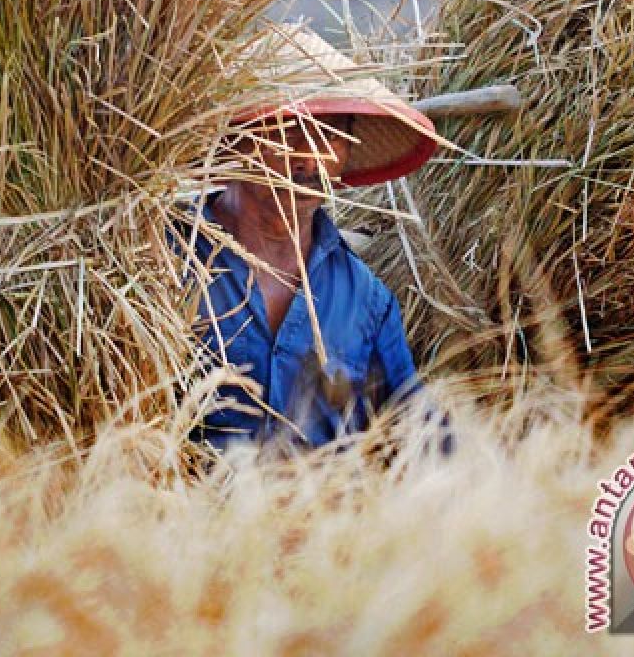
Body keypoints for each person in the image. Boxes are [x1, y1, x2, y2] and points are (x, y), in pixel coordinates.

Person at [173, 27, 450, 454]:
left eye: (330, 136)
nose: (308, 159)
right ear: (232, 140)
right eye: (286, 133)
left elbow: (419, 436)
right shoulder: (163, 265)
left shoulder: (364, 300)